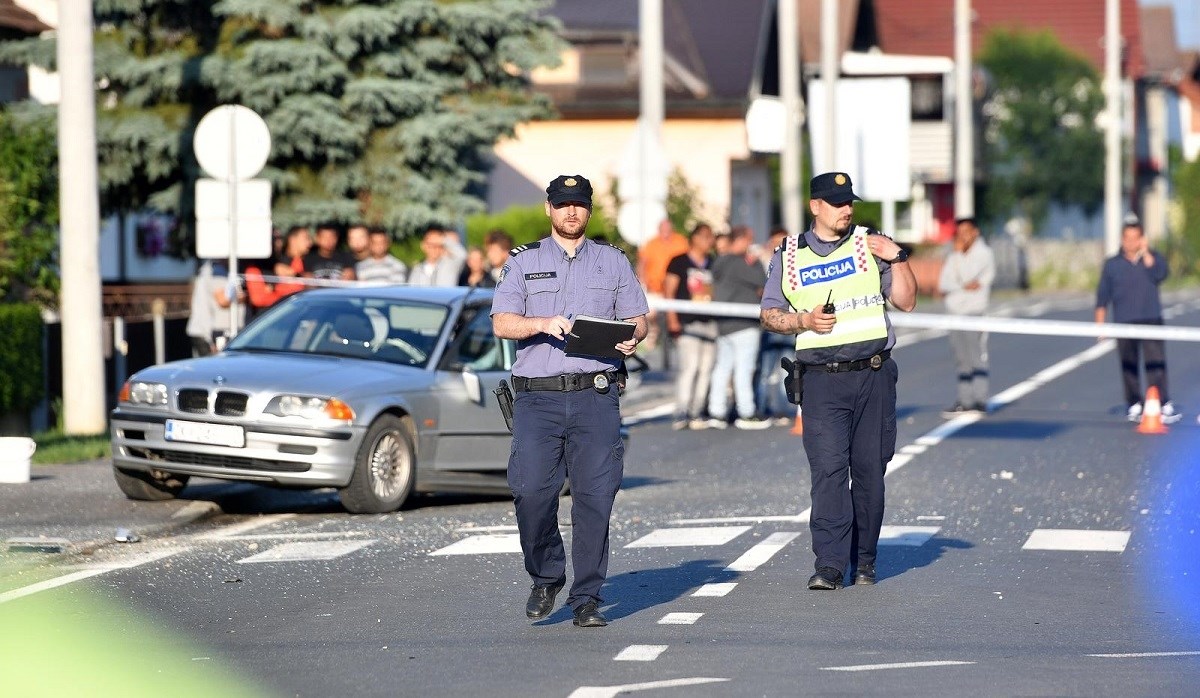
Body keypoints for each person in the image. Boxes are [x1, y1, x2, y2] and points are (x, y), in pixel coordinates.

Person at [491, 174, 649, 629]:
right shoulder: (523, 262)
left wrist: (632, 339)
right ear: (549, 209)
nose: (571, 211)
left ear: (589, 210)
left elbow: (637, 319)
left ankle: (587, 597)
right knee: (530, 491)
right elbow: (502, 322)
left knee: (596, 496)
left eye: (579, 204)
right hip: (538, 399)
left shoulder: (613, 261)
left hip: (595, 395)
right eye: (563, 204)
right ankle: (546, 575)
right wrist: (541, 323)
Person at [760, 171, 917, 590]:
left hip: (873, 374)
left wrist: (898, 256)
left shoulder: (872, 244)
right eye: (836, 202)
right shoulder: (789, 255)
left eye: (849, 201)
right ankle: (829, 565)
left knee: (869, 473)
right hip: (821, 381)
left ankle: (864, 560)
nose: (846, 209)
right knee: (829, 472)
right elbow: (769, 313)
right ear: (815, 206)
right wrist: (804, 320)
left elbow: (906, 301)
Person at [1095, 220, 1180, 423]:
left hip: (1151, 318)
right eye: (1127, 238)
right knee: (1128, 364)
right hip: (1124, 320)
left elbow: (1161, 274)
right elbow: (1102, 296)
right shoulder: (1112, 264)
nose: (1131, 242)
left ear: (1141, 239)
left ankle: (1161, 401)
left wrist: (1146, 252)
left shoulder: (1153, 259)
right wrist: (1100, 325)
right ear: (1122, 239)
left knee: (1156, 363)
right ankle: (1134, 402)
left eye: (1135, 238)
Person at [706, 225, 770, 430]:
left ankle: (716, 411)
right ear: (741, 239)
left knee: (723, 367)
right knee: (744, 369)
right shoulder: (741, 263)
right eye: (749, 240)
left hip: (724, 323)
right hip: (744, 324)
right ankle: (746, 412)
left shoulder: (720, 261)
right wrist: (757, 261)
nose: (750, 245)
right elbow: (762, 280)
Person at [938, 217, 996, 417]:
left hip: (974, 312)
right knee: (960, 358)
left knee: (976, 356)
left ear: (975, 232)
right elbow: (944, 284)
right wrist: (962, 285)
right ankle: (965, 400)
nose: (962, 236)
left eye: (967, 231)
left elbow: (968, 277)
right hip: (954, 313)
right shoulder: (954, 255)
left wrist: (960, 283)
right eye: (959, 231)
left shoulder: (984, 254)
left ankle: (980, 400)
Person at [663, 224, 718, 430]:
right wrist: (672, 320)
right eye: (705, 237)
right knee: (689, 367)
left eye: (710, 237)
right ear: (694, 238)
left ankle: (697, 411)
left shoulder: (712, 262)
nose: (709, 241)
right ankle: (682, 411)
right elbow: (669, 292)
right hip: (687, 322)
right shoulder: (679, 262)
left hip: (710, 322)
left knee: (706, 369)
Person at [756, 226, 795, 425]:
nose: (780, 246)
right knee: (765, 369)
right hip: (770, 324)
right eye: (776, 242)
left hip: (789, 323)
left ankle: (783, 408)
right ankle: (761, 407)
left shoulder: (796, 262)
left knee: (787, 369)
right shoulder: (763, 262)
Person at [636, 219, 689, 353]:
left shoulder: (680, 241)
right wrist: (643, 282)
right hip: (656, 289)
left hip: (675, 289)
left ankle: (676, 344)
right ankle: (649, 346)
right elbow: (642, 263)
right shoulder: (651, 244)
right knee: (649, 316)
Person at [186, 260, 245, 356]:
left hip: (205, 331)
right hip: (208, 333)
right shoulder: (216, 270)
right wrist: (245, 296)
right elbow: (223, 300)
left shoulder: (209, 269)